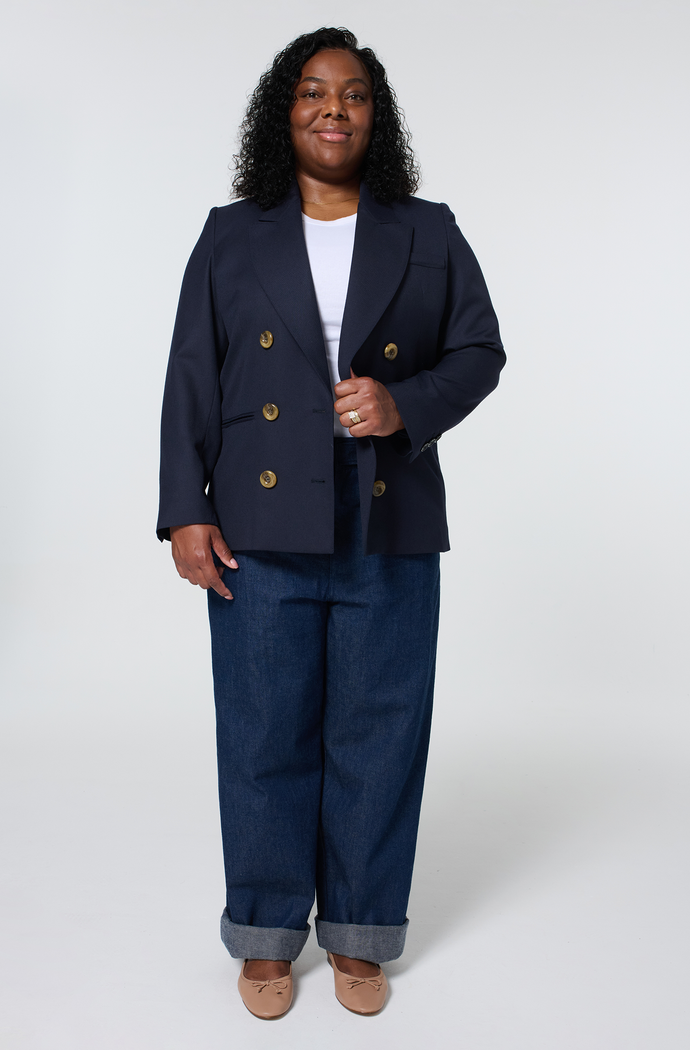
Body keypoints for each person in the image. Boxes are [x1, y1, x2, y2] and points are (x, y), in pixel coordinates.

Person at [157, 26, 505, 1019]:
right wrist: (187, 512)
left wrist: (403, 406)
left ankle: (359, 932)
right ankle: (266, 935)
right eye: (313, 92)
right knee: (265, 730)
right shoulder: (232, 234)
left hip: (386, 518)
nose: (333, 109)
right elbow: (190, 373)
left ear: (373, 114)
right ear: (285, 111)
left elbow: (479, 352)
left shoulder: (427, 229)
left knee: (379, 731)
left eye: (353, 94)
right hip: (258, 529)